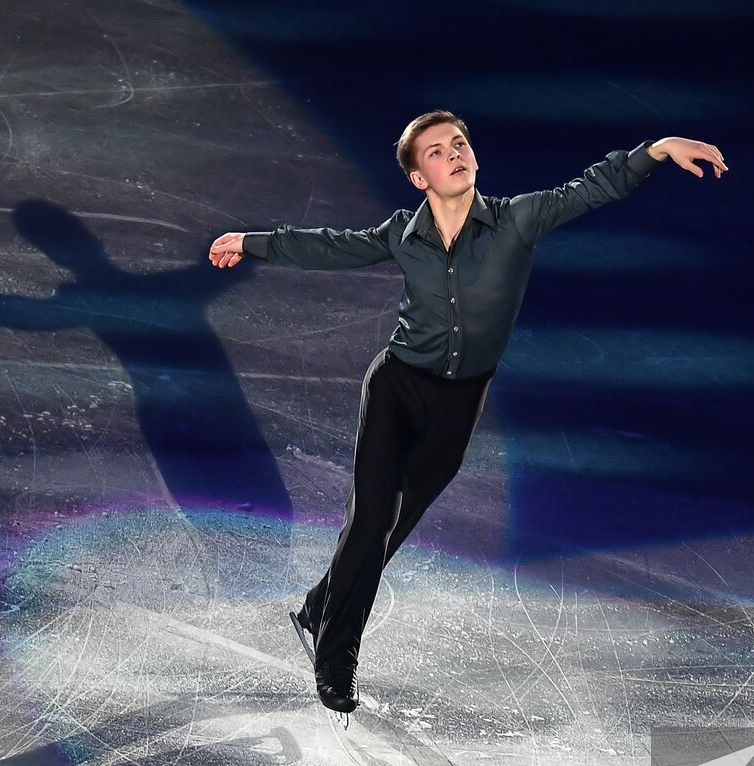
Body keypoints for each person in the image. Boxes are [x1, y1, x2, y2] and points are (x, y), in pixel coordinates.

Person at [208, 110, 727, 719]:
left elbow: (592, 188)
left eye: (459, 144)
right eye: (436, 152)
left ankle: (321, 604)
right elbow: (332, 245)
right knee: (373, 516)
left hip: (458, 405)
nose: (453, 154)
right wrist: (253, 241)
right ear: (418, 177)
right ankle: (335, 654)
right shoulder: (402, 234)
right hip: (396, 391)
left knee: (390, 529)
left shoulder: (517, 221)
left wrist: (658, 149)